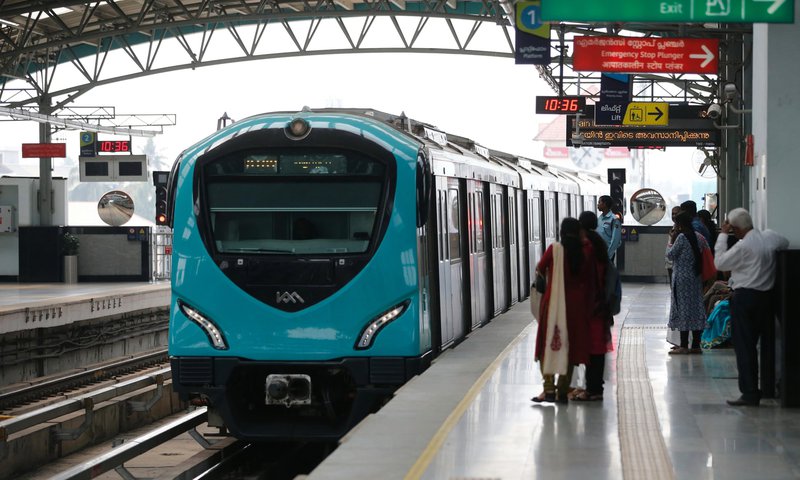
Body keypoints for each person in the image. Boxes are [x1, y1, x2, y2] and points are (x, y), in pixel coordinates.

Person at [714, 208, 789, 407]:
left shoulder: (743, 247)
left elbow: (720, 263)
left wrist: (722, 235)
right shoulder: (770, 238)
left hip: (745, 299)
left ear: (736, 229)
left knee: (745, 347)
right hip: (768, 299)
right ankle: (768, 387)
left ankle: (749, 393)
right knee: (767, 344)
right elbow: (785, 242)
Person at [531, 218, 595, 404]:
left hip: (553, 303)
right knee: (570, 346)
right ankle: (563, 391)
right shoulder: (583, 252)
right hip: (576, 306)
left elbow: (540, 268)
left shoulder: (554, 249)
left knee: (548, 342)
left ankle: (549, 388)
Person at [571, 211, 613, 402]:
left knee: (591, 348)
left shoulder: (586, 246)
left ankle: (593, 389)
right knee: (597, 348)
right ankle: (594, 387)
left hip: (590, 305)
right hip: (601, 303)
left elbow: (582, 276)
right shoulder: (599, 244)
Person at [666, 211, 709, 354]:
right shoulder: (699, 237)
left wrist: (671, 240)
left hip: (682, 279)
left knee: (683, 309)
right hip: (696, 277)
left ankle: (684, 345)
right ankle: (696, 345)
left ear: (679, 224)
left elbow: (670, 255)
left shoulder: (681, 238)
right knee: (696, 308)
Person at [597, 195, 621, 262]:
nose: (597, 204)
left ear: (604, 204)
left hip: (607, 253)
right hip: (599, 252)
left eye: (599, 202)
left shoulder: (614, 219)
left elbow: (615, 240)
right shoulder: (600, 218)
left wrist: (608, 255)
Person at [666, 206, 681, 284]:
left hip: (675, 264)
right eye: (672, 214)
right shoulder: (674, 227)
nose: (674, 216)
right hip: (669, 262)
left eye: (676, 213)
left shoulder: (680, 229)